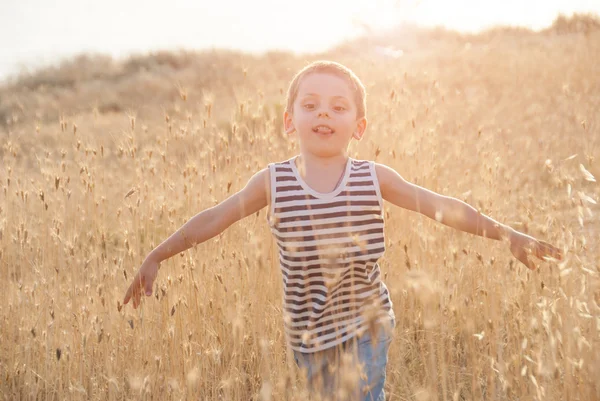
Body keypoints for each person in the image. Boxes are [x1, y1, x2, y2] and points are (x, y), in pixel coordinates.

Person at [123, 60, 562, 400]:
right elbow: (215, 217)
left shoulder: (374, 177)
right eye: (310, 105)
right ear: (289, 120)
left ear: (359, 125)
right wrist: (157, 255)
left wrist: (507, 234)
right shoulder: (273, 182)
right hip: (308, 334)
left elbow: (440, 207)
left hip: (367, 324)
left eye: (338, 107)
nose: (323, 114)